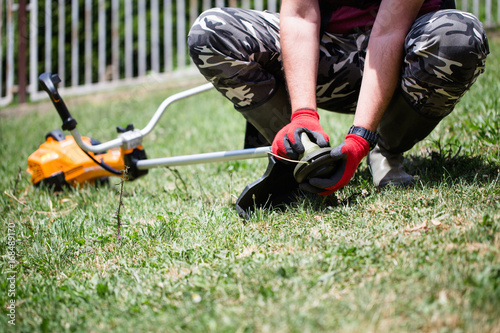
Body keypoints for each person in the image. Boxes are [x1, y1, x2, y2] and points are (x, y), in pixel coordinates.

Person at [187, 0, 489, 198]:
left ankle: (386, 150)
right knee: (211, 32)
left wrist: (360, 139)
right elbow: (300, 15)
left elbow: (387, 32)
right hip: (328, 57)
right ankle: (303, 155)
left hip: (405, 58)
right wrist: (303, 114)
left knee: (460, 37)